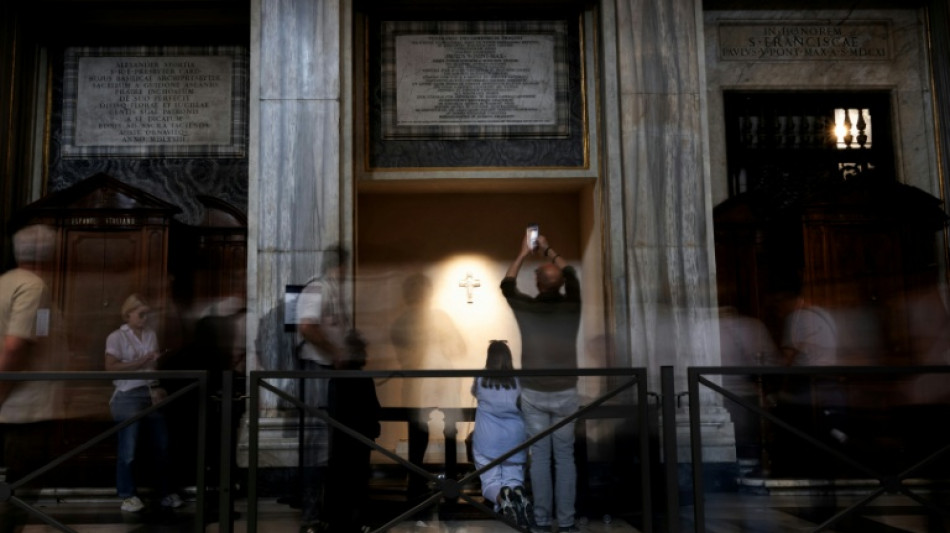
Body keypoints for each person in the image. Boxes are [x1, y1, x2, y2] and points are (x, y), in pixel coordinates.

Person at [500, 231, 581, 533]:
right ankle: (568, 520)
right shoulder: (572, 305)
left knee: (541, 458)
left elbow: (506, 285)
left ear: (537, 284)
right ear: (560, 284)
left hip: (535, 391)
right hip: (567, 391)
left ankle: (543, 520)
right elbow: (571, 272)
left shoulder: (528, 309)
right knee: (565, 458)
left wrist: (523, 252)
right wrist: (548, 250)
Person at [296, 244, 380, 533]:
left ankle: (334, 511)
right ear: (340, 266)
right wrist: (336, 352)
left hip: (334, 375)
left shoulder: (332, 292)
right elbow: (306, 326)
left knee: (334, 444)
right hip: (321, 372)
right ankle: (313, 514)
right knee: (319, 445)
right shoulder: (317, 289)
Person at [0, 224, 64, 532]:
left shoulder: (5, 281)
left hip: (15, 405)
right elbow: (15, 345)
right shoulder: (34, 286)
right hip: (24, 408)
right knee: (20, 487)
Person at [389, 272, 466, 503]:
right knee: (441, 431)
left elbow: (405, 358)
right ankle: (446, 480)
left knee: (421, 433)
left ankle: (417, 483)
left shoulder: (402, 321)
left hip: (423, 379)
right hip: (433, 378)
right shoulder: (436, 318)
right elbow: (458, 347)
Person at [105, 293, 183, 513]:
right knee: (128, 448)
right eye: (141, 314)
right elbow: (110, 367)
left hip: (149, 391)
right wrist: (140, 361)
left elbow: (152, 368)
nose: (145, 319)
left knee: (163, 445)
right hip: (127, 393)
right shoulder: (116, 337)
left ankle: (165, 492)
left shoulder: (150, 334)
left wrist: (156, 386)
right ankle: (127, 495)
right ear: (128, 314)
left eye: (147, 314)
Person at [470, 340, 532, 528]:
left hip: (487, 440)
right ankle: (517, 494)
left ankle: (502, 499)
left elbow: (475, 393)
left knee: (490, 481)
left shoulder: (481, 378)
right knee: (514, 478)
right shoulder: (520, 380)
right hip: (515, 440)